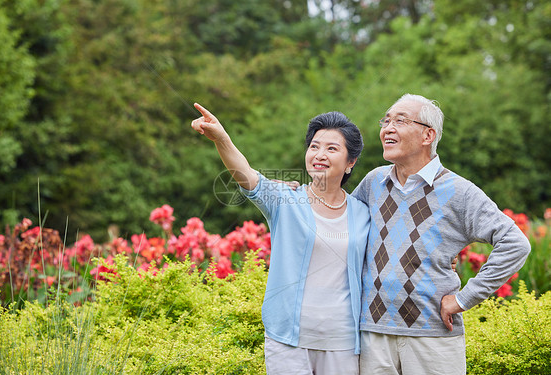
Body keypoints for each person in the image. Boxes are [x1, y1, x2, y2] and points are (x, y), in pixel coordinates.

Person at [352, 93, 531, 374]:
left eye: (400, 120)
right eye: (385, 121)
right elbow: (340, 226)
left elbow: (515, 243)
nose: (387, 128)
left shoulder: (458, 191)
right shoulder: (373, 182)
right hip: (374, 334)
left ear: (428, 135)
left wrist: (464, 298)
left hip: (432, 335)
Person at [191, 103, 370, 374]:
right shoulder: (286, 200)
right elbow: (247, 176)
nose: (320, 155)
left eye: (332, 149)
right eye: (314, 146)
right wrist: (221, 138)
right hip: (288, 340)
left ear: (351, 162)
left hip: (343, 342)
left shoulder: (363, 213)